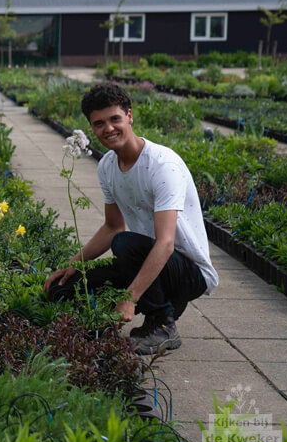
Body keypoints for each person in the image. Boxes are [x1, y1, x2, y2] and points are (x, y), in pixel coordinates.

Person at [43, 83, 218, 355]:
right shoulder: (107, 166)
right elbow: (112, 226)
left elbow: (166, 243)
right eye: (99, 123)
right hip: (146, 262)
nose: (108, 129)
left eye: (115, 119)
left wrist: (129, 297)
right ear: (92, 128)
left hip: (188, 272)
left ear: (129, 116)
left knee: (125, 244)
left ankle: (162, 324)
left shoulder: (162, 165)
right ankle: (107, 325)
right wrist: (72, 265)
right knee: (67, 288)